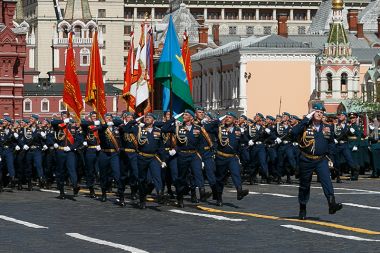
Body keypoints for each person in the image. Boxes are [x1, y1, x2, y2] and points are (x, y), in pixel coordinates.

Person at [292, 103, 343, 220]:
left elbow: (331, 143)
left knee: (327, 181)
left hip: (321, 159)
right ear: (312, 113)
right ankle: (303, 207)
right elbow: (294, 132)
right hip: (306, 159)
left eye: (321, 113)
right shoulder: (305, 125)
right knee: (304, 185)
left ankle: (332, 204)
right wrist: (306, 119)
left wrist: (331, 158)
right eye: (317, 112)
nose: (319, 114)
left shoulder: (327, 127)